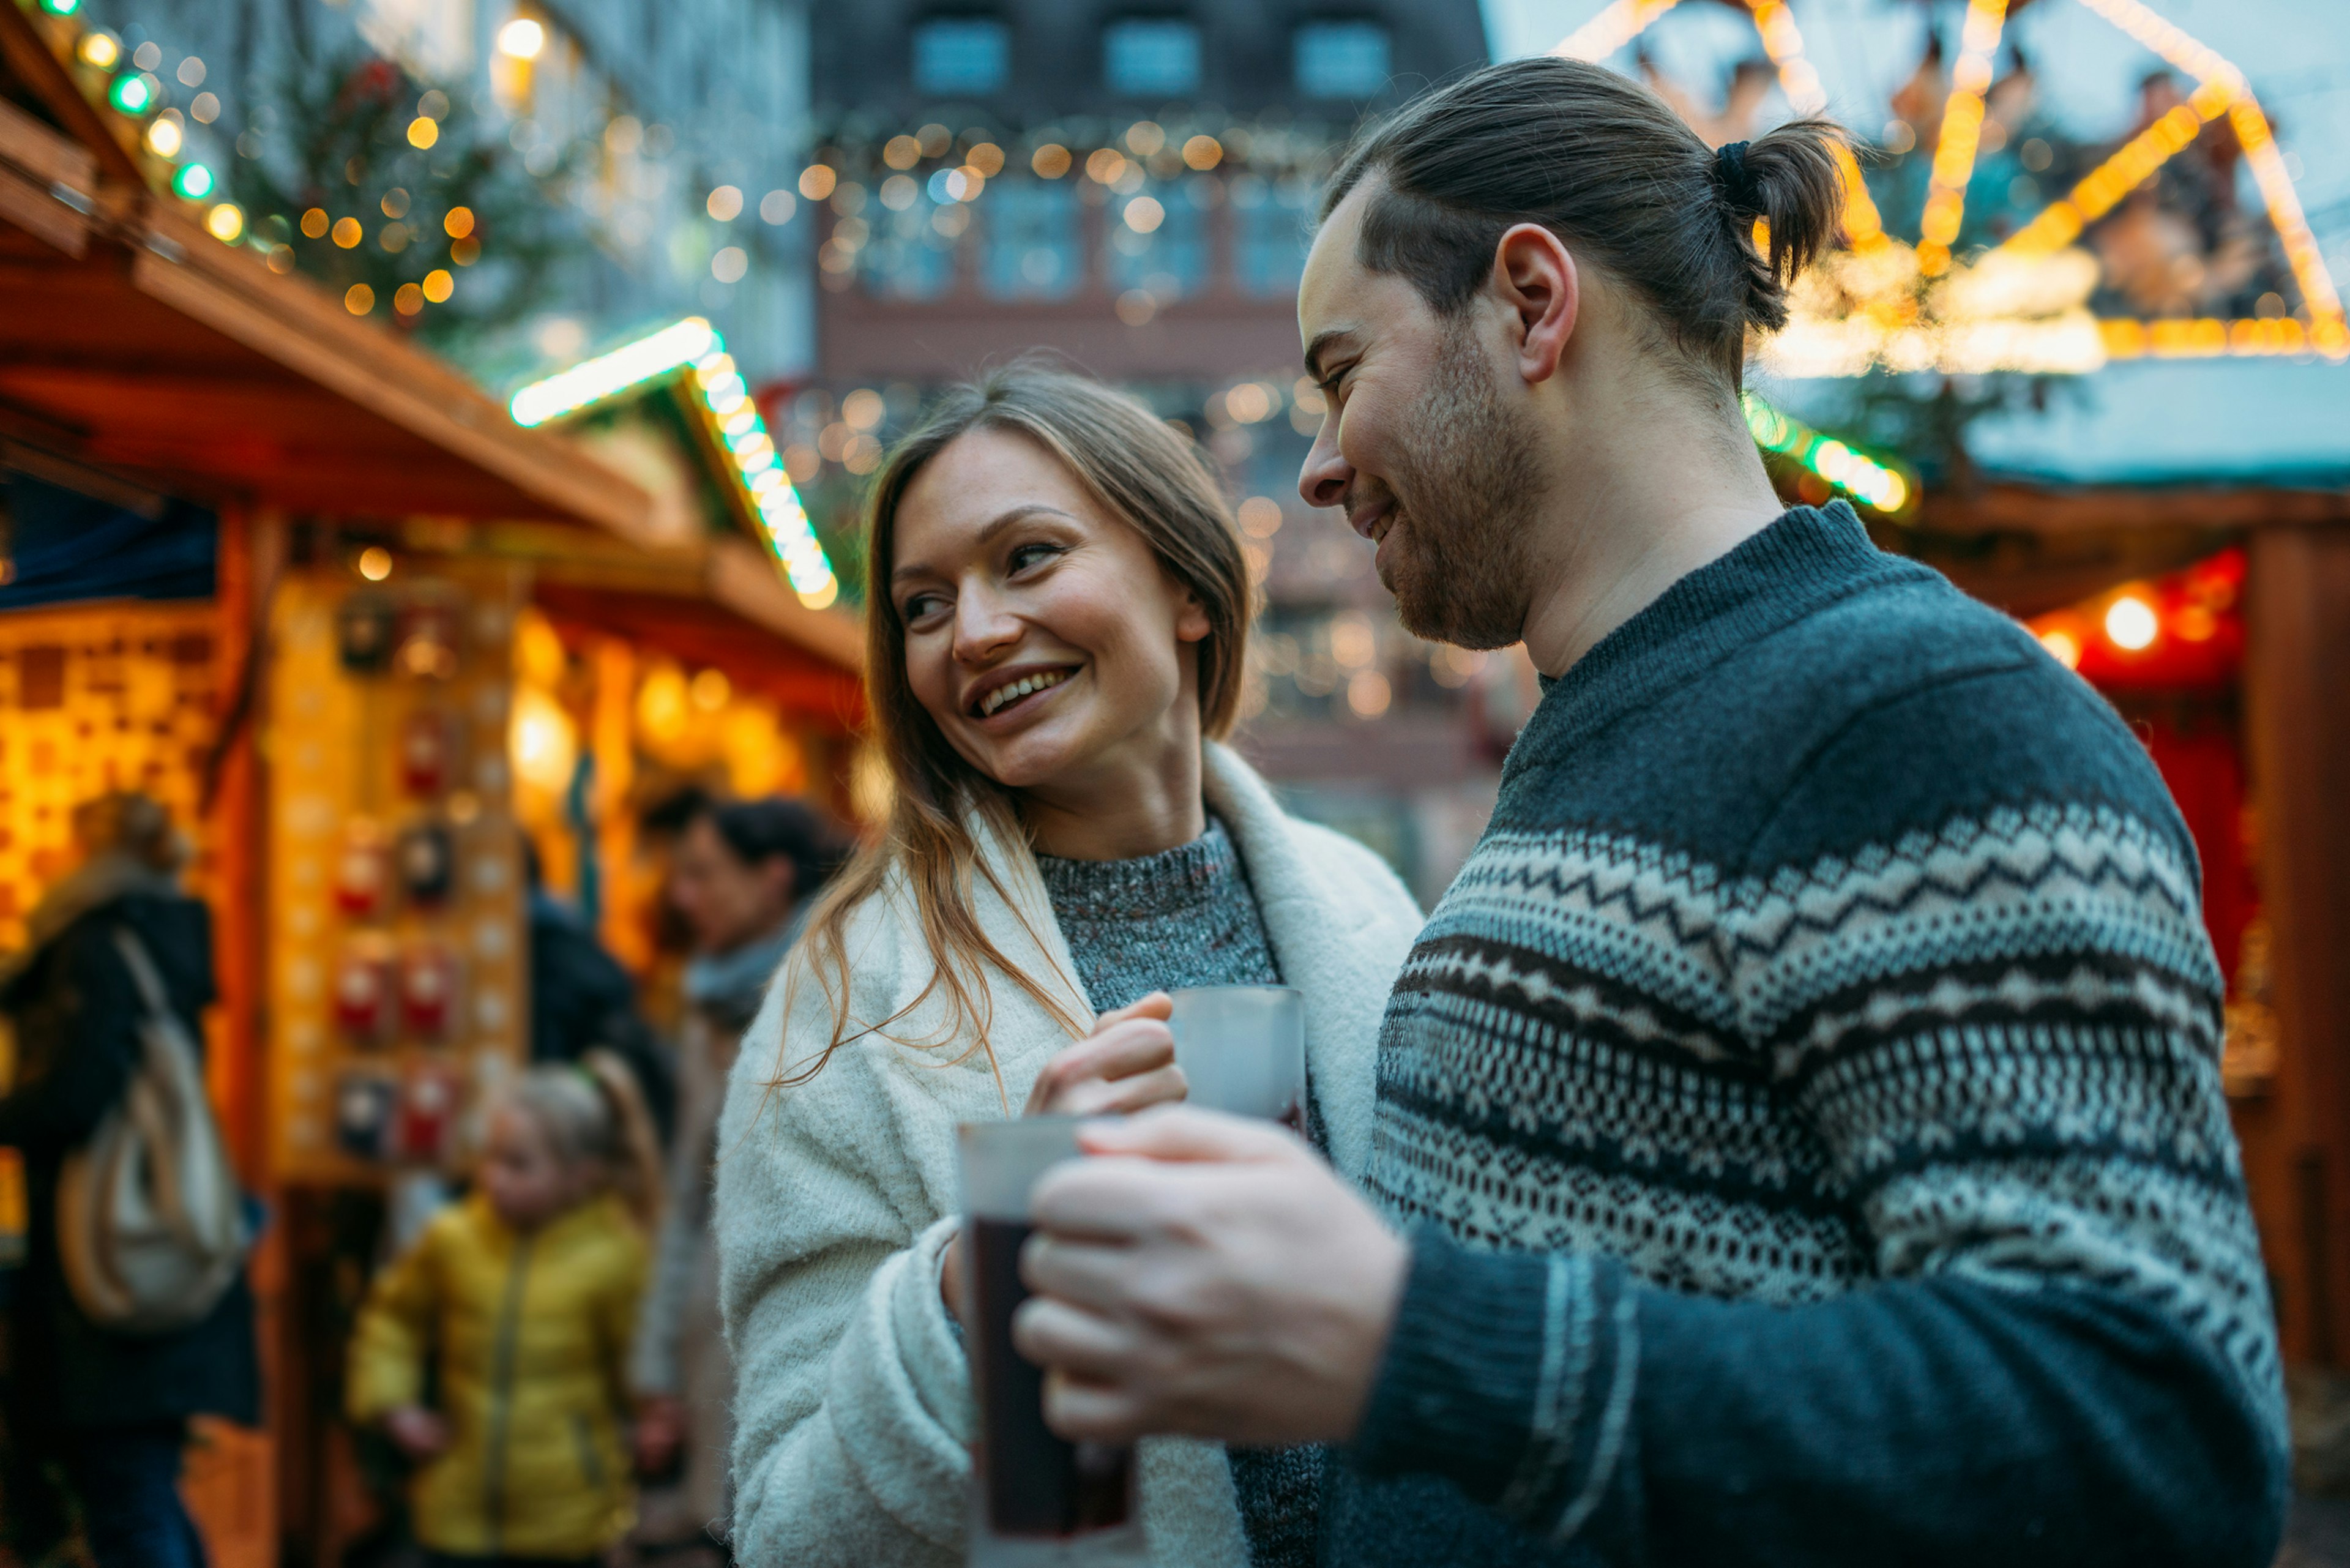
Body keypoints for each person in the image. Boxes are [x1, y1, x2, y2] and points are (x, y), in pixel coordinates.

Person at [1009, 56, 2287, 1567]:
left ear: (1532, 303)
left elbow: (2153, 1434)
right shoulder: (1603, 726)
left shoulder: (1912, 708)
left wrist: (1410, 1337)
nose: (1322, 463)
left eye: (1343, 373)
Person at [712, 364, 1423, 1567]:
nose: (974, 634)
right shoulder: (843, 1005)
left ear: (1187, 588)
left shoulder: (1365, 908)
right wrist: (990, 1273)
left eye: (1028, 558)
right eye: (922, 606)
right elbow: (789, 1532)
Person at [0, 792, 259, 1568]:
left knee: (126, 1491)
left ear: (87, 848)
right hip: (147, 1245)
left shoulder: (93, 942)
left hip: (101, 1261)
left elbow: (75, 1094)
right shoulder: (164, 933)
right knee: (140, 1484)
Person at [631, 796, 845, 1549]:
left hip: (821, 1344)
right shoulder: (706, 1007)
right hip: (715, 1349)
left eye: (703, 875)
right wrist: (657, 1368)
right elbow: (689, 1195)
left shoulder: (848, 980)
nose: (682, 897)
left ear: (772, 879)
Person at [346, 1060, 659, 1568]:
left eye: (518, 1164)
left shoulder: (615, 1257)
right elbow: (392, 1318)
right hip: (457, 1514)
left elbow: (637, 1362)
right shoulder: (453, 1238)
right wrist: (392, 1403)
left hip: (567, 1522)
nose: (494, 1177)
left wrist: (653, 1417)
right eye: (490, 1158)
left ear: (581, 1176)